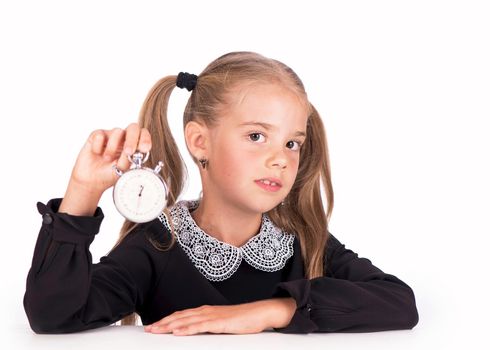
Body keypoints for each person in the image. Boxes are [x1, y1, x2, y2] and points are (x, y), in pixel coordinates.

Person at [23, 51, 419, 335]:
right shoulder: (157, 246)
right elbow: (54, 316)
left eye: (292, 143)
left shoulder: (304, 242)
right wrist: (82, 193)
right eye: (257, 136)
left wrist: (271, 310)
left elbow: (399, 303)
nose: (280, 159)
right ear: (199, 142)